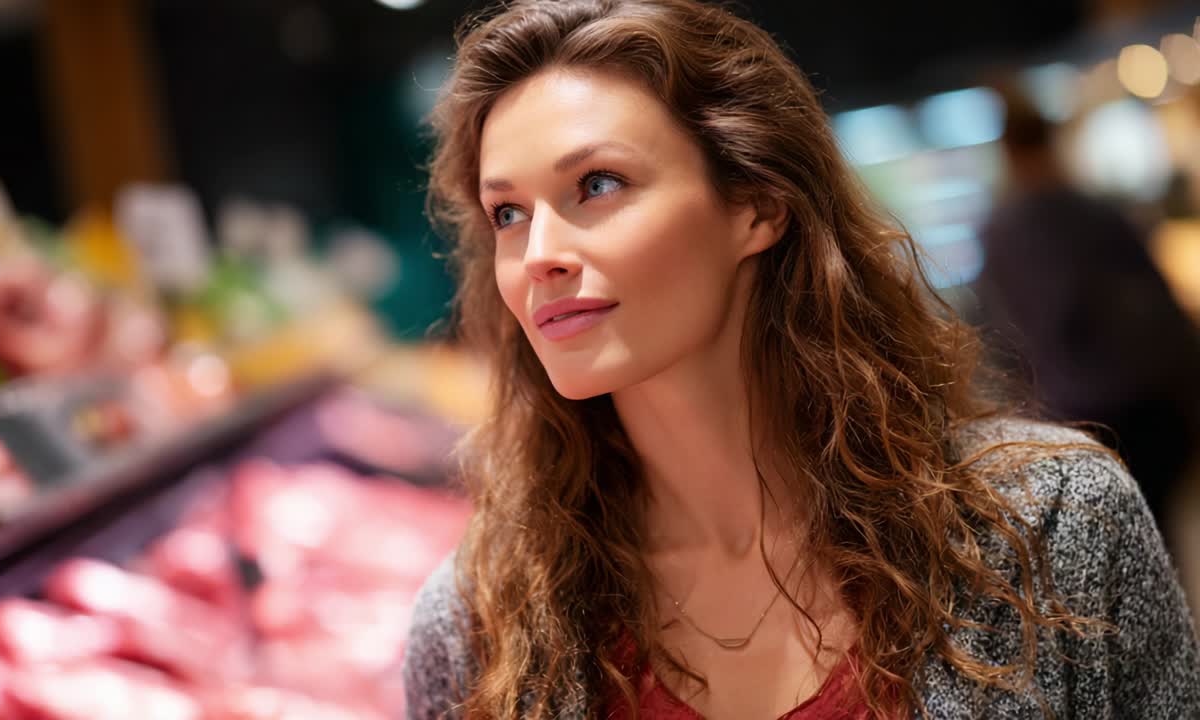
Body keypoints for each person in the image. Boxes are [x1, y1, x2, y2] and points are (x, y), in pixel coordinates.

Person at [405, 1, 1200, 717]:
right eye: (506, 212)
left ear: (758, 204)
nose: (539, 252)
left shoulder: (1055, 526)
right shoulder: (480, 622)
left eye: (598, 184)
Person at [974, 88, 1200, 531]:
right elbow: (1161, 304)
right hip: (1144, 403)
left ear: (1008, 150)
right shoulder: (1096, 212)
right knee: (1158, 536)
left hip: (1070, 420)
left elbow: (999, 339)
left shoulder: (1000, 233)